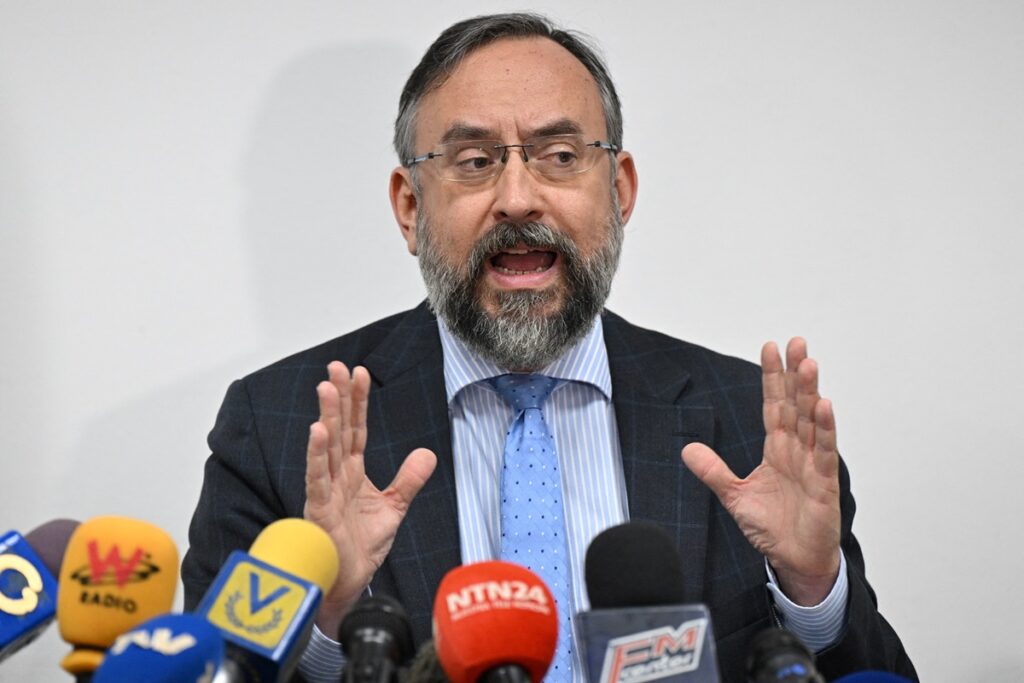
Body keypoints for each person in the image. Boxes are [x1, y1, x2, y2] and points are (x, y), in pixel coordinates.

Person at [182, 13, 916, 683]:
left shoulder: (751, 423)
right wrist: (332, 616)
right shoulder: (280, 429)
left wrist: (813, 591)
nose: (519, 197)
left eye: (560, 155)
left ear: (620, 190)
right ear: (410, 208)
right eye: (473, 161)